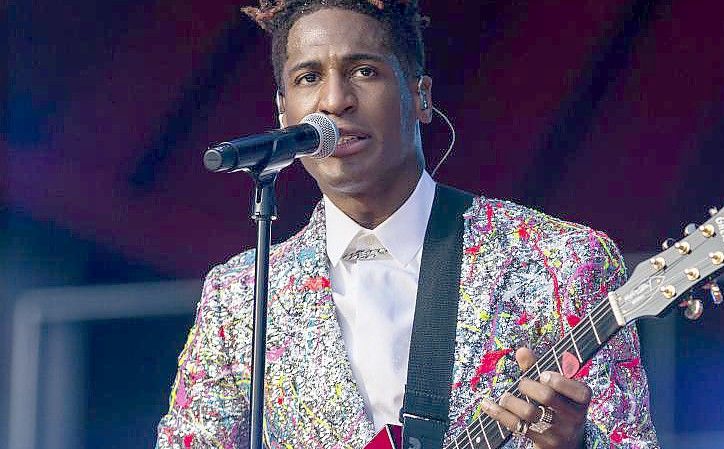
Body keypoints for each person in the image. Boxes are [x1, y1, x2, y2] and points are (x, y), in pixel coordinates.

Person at [156, 1, 659, 448]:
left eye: (364, 71)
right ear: (284, 114)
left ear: (420, 97)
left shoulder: (560, 260)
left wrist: (571, 446)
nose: (335, 100)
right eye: (308, 77)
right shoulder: (242, 293)